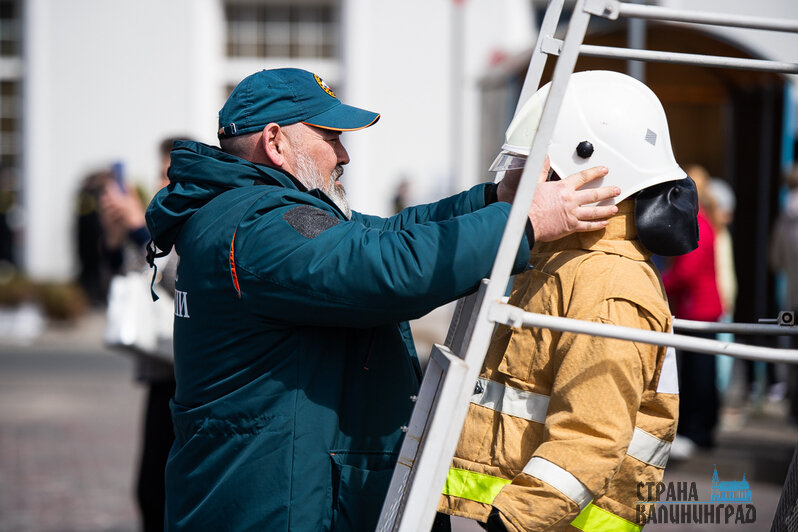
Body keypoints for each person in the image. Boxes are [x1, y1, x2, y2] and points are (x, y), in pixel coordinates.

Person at [144, 67, 621, 531]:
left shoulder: (248, 210)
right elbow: (386, 268)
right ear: (275, 142)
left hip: (263, 492)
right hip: (275, 505)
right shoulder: (258, 226)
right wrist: (525, 223)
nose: (344, 155)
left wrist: (494, 198)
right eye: (330, 137)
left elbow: (386, 234)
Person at [437, 70, 698, 531]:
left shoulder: (609, 284)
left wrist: (510, 522)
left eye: (543, 167)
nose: (524, 181)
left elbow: (590, 437)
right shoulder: (557, 263)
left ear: (591, 169)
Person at [98, 137, 189, 532]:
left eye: (166, 173)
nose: (158, 181)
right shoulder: (160, 222)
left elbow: (178, 279)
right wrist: (116, 236)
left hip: (184, 372)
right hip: (160, 367)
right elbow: (123, 288)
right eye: (157, 172)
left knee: (162, 490)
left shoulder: (196, 220)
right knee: (149, 488)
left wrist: (138, 230)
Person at [662, 164, 723, 457]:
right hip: (700, 307)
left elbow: (687, 271)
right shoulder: (705, 220)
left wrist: (659, 284)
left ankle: (696, 431)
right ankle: (700, 430)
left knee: (699, 374)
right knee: (700, 372)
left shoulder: (699, 222)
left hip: (699, 309)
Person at [770, 163, 798, 423]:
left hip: (792, 298)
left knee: (792, 355)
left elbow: (775, 259)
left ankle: (793, 405)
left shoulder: (785, 215)